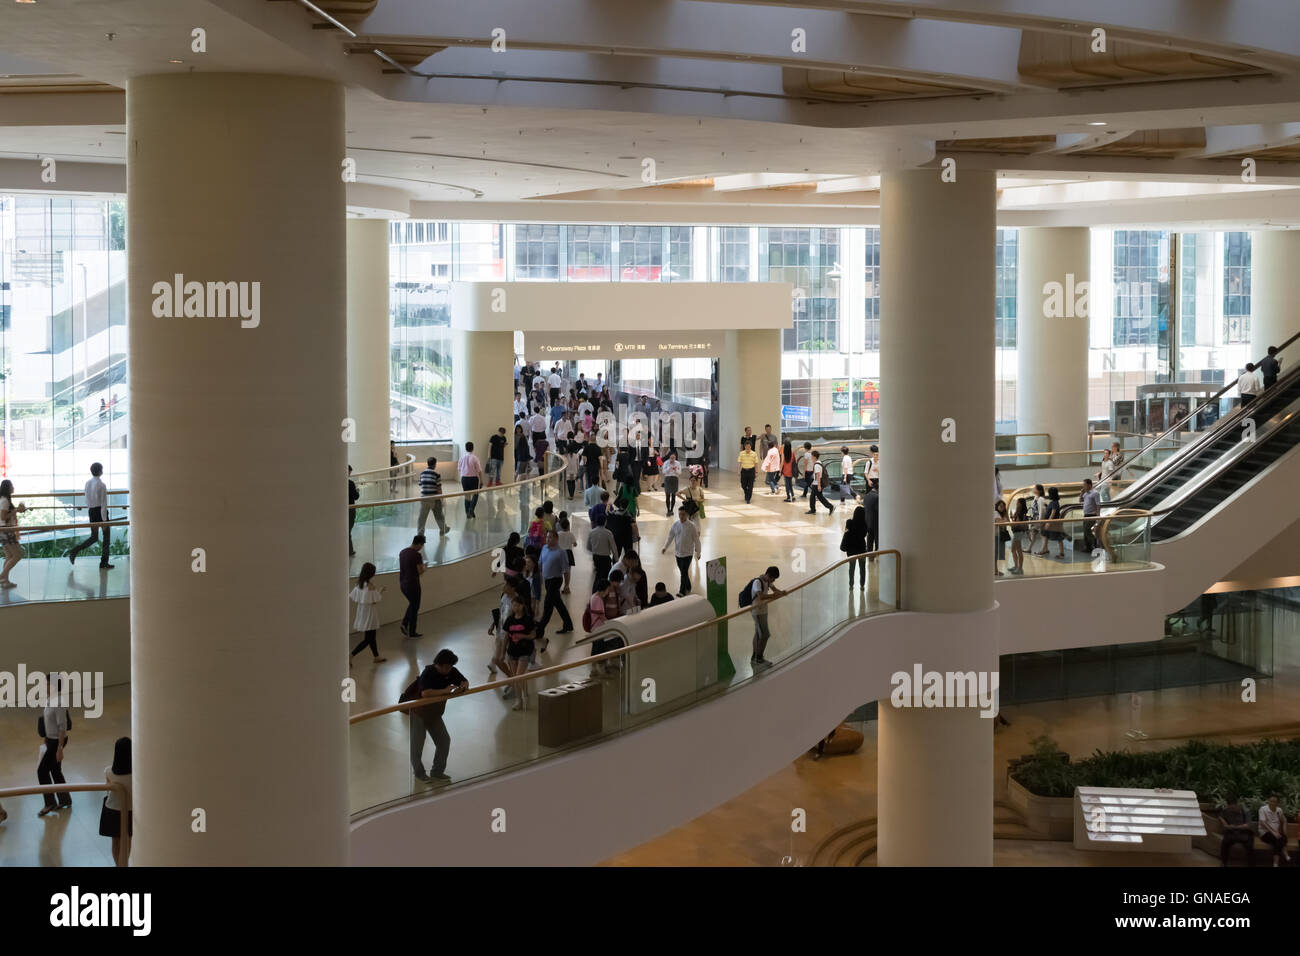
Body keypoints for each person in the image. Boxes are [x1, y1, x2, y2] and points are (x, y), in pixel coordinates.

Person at [402, 649, 468, 783]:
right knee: (417, 745)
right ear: (439, 664)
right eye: (447, 667)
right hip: (419, 713)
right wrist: (445, 691)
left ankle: (437, 771)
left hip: (435, 714)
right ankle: (419, 773)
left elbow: (465, 681)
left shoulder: (451, 671)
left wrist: (463, 686)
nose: (450, 669)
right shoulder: (428, 673)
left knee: (444, 741)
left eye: (451, 666)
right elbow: (425, 693)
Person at [66, 462, 115, 569]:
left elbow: (87, 500)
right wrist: (104, 520)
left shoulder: (87, 483)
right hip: (100, 513)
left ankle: (75, 550)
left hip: (91, 512)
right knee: (106, 538)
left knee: (94, 537)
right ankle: (103, 563)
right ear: (100, 471)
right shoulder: (102, 485)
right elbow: (103, 504)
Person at [37, 672, 72, 816]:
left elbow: (62, 727)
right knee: (55, 771)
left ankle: (50, 803)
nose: (44, 686)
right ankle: (65, 800)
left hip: (56, 742)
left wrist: (59, 749)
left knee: (42, 771)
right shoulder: (50, 700)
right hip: (49, 740)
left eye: (46, 683)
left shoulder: (58, 703)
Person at [536, 530, 575, 643]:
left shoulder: (561, 552)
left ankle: (539, 630)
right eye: (547, 537)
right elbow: (540, 564)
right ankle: (568, 624)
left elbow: (566, 570)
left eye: (551, 537)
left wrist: (567, 585)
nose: (548, 539)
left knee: (548, 606)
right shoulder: (544, 548)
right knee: (558, 603)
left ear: (556, 539)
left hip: (556, 580)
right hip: (547, 581)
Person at [100, 736, 132, 866]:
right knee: (127, 841)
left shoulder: (108, 771)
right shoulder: (136, 773)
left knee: (115, 842)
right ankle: (124, 864)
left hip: (111, 811)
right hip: (129, 810)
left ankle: (117, 865)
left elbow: (108, 791)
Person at [502, 595, 537, 711]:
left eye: (517, 605)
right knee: (515, 678)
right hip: (512, 651)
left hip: (525, 650)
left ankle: (521, 698)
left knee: (518, 676)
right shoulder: (510, 620)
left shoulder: (527, 619)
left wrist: (523, 636)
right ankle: (519, 699)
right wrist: (502, 653)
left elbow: (533, 635)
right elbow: (506, 637)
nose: (514, 607)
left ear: (522, 606)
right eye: (513, 605)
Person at [749, 566, 787, 669]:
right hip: (757, 612)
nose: (774, 581)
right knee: (765, 634)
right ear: (769, 575)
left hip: (763, 611)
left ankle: (755, 657)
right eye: (773, 578)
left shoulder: (767, 582)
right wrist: (773, 596)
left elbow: (775, 590)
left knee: (758, 633)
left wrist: (782, 593)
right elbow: (760, 596)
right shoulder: (758, 582)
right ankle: (759, 658)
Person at [349, 561, 387, 664]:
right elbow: (374, 600)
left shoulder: (359, 584)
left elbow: (356, 598)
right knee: (368, 639)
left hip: (362, 612)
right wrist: (381, 590)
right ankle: (351, 655)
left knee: (371, 636)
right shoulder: (370, 585)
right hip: (370, 613)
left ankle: (376, 656)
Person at [662, 505, 702, 596]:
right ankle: (688, 586)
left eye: (683, 514)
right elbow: (670, 536)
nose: (681, 516)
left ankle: (682, 591)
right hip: (678, 554)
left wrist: (698, 552)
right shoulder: (676, 525)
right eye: (680, 514)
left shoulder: (692, 526)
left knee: (683, 573)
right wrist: (665, 547)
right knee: (683, 572)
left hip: (687, 554)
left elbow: (697, 540)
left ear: (687, 515)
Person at [0, 479, 27, 588]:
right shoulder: (5, 501)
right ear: (8, 488)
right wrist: (16, 511)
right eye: (12, 485)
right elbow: (3, 517)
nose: (13, 487)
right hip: (6, 530)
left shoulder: (4, 499)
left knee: (9, 555)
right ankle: (2, 576)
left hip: (4, 530)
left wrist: (16, 510)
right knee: (18, 555)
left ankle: (5, 581)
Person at [398, 535, 427, 637]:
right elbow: (420, 571)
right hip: (413, 585)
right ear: (419, 544)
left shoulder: (402, 552)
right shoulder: (417, 555)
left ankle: (407, 627)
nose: (422, 547)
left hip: (403, 584)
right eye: (422, 545)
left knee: (413, 604)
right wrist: (425, 567)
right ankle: (409, 628)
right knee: (415, 606)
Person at [416, 456, 449, 537]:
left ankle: (420, 534)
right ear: (435, 464)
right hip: (434, 498)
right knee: (439, 514)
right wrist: (442, 499)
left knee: (422, 517)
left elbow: (420, 484)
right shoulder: (436, 474)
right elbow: (439, 488)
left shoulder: (422, 473)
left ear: (428, 464)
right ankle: (443, 529)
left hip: (424, 498)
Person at [1218, 795, 1255, 867]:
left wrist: (1234, 827)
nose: (1231, 809)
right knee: (1225, 843)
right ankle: (1224, 862)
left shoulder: (1245, 811)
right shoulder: (1226, 810)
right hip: (1232, 832)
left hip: (1244, 832)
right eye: (1230, 807)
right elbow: (1220, 816)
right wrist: (1224, 822)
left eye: (1233, 807)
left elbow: (1248, 825)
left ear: (1237, 804)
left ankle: (1251, 864)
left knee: (1250, 846)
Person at [586, 514, 618, 592]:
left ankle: (596, 591)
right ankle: (601, 592)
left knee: (599, 574)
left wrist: (595, 551)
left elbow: (588, 547)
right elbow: (614, 547)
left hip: (596, 557)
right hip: (605, 558)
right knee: (606, 576)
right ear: (605, 522)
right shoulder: (608, 533)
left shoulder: (592, 532)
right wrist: (616, 559)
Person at [841, 506, 868, 589]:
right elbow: (864, 535)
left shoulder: (849, 522)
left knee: (851, 568)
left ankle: (851, 585)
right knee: (862, 569)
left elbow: (846, 533)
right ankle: (862, 585)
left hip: (851, 549)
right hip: (861, 549)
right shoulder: (865, 524)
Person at [1259, 794, 1290, 866]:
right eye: (1270, 801)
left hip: (1277, 833)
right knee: (1279, 839)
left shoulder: (1279, 810)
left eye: (1274, 801)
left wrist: (1284, 831)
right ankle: (1285, 855)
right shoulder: (1263, 809)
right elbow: (1263, 822)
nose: (1272, 803)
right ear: (1268, 801)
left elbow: (1284, 820)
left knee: (1279, 840)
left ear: (1277, 803)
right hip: (1265, 833)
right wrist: (1273, 832)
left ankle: (1275, 863)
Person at [1037, 487, 1066, 559]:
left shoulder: (1055, 502)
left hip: (1054, 524)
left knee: (1059, 538)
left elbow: (1053, 513)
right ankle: (1044, 549)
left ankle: (1062, 554)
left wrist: (1048, 523)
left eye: (1049, 493)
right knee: (1045, 534)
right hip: (1051, 523)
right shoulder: (1052, 502)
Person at [457, 442, 484, 519]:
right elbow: (479, 471)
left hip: (464, 478)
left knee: (467, 496)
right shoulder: (475, 458)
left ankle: (467, 513)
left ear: (466, 448)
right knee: (475, 494)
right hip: (473, 478)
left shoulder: (462, 458)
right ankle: (471, 509)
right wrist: (481, 480)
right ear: (473, 448)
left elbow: (459, 469)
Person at [806, 450, 835, 515]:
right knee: (814, 497)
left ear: (814, 457)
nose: (811, 458)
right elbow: (816, 476)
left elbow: (818, 475)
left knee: (819, 497)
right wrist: (813, 482)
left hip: (817, 484)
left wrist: (818, 485)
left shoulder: (817, 465)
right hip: (815, 483)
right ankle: (813, 510)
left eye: (812, 456)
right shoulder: (819, 463)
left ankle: (830, 507)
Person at [1007, 497, 1030, 575]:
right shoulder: (1020, 512)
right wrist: (1012, 518)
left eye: (1017, 502)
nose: (1016, 503)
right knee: (1015, 550)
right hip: (1018, 532)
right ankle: (1017, 566)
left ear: (1020, 503)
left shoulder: (1020, 513)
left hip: (1018, 533)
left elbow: (1017, 523)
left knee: (1016, 550)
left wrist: (1011, 520)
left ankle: (1019, 568)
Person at [1080, 478, 1102, 556]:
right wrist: (1081, 493)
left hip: (1092, 515)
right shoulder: (1085, 493)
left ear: (1089, 485)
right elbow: (1080, 501)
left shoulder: (1095, 493)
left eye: (1084, 485)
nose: (1083, 487)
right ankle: (1088, 547)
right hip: (1086, 515)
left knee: (1090, 531)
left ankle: (1095, 547)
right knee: (1085, 532)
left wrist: (1097, 517)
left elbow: (1098, 505)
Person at [557, 512, 577, 593]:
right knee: (567, 571)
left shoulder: (558, 534)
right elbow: (575, 544)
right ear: (569, 526)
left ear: (561, 526)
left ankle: (558, 587)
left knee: (559, 571)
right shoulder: (571, 534)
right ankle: (566, 587)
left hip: (560, 553)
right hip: (568, 553)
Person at [737, 438, 759, 504]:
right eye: (746, 446)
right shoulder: (741, 453)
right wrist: (738, 470)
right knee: (743, 485)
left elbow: (756, 463)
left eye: (749, 446)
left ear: (750, 446)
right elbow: (739, 463)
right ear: (744, 446)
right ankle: (746, 493)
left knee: (750, 486)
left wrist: (756, 472)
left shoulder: (754, 454)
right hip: (744, 471)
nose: (747, 447)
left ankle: (748, 498)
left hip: (751, 471)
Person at [661, 450, 682, 516]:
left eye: (674, 458)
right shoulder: (666, 463)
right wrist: (669, 468)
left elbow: (679, 473)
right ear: (669, 457)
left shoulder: (678, 463)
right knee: (667, 495)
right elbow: (663, 472)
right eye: (671, 458)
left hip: (675, 479)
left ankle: (672, 510)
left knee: (673, 496)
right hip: (667, 479)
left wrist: (675, 470)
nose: (672, 459)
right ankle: (668, 510)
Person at [994, 499, 1011, 576]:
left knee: (996, 554)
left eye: (1003, 506)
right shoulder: (995, 513)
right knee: (994, 554)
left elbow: (1008, 522)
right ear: (997, 506)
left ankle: (995, 570)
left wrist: (1005, 516)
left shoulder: (1001, 514)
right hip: (995, 535)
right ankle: (995, 570)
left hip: (998, 535)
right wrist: (1004, 520)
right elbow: (1001, 524)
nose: (1002, 508)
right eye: (1000, 506)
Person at [346, 465, 361, 556]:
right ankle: (349, 550)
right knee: (348, 530)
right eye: (349, 472)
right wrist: (357, 491)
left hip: (343, 510)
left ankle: (349, 550)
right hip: (350, 509)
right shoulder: (350, 483)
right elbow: (355, 497)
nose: (350, 474)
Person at [864, 480, 879, 553]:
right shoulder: (877, 497)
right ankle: (877, 553)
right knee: (877, 539)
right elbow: (878, 510)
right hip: (875, 522)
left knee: (869, 539)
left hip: (868, 521)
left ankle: (869, 555)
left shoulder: (867, 495)